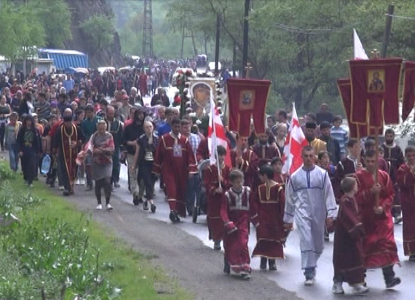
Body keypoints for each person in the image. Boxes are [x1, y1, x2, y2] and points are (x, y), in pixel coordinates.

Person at [284, 146, 337, 286]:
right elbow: (289, 198)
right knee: (306, 240)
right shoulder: (295, 177)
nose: (308, 158)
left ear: (314, 157)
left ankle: (311, 263)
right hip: (302, 212)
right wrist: (288, 219)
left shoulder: (322, 174)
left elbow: (329, 194)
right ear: (302, 157)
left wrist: (331, 214)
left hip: (319, 213)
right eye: (305, 156)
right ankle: (308, 271)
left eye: (310, 156)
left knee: (318, 245)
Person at [355, 150, 401, 288]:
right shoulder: (358, 177)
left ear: (377, 160)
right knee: (365, 246)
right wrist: (370, 193)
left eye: (373, 161)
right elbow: (355, 197)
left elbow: (390, 194)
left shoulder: (384, 176)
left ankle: (389, 276)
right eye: (368, 161)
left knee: (387, 243)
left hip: (382, 218)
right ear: (364, 160)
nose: (370, 164)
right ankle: (360, 278)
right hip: (366, 218)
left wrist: (383, 206)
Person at [152, 118, 197, 223]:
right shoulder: (164, 139)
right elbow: (159, 155)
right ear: (172, 127)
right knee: (171, 190)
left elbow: (190, 157)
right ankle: (172, 210)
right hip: (169, 170)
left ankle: (177, 211)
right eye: (175, 127)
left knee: (180, 192)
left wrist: (191, 170)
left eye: (178, 127)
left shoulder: (184, 141)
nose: (177, 129)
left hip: (182, 171)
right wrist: (156, 170)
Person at [332, 177, 368, 295]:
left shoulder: (352, 199)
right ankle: (337, 283)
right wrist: (358, 227)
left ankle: (356, 283)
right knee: (343, 258)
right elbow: (349, 217)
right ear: (353, 187)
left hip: (352, 237)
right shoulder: (345, 201)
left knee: (355, 257)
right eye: (356, 184)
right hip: (345, 237)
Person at [220, 169, 253, 279]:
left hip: (243, 221)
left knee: (243, 243)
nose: (240, 184)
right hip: (232, 222)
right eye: (237, 182)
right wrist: (227, 223)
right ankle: (228, 261)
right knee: (231, 245)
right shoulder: (227, 195)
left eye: (241, 181)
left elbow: (253, 205)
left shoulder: (248, 192)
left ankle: (244, 267)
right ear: (232, 182)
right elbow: (223, 211)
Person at [251, 165, 285, 271]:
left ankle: (272, 261)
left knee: (274, 240)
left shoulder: (278, 188)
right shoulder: (260, 188)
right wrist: (256, 217)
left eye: (261, 176)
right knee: (262, 239)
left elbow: (282, 204)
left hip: (274, 219)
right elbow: (254, 203)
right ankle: (263, 260)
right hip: (263, 219)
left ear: (265, 176)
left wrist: (283, 219)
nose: (260, 178)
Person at [203, 145, 231, 250]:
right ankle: (216, 240)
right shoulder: (210, 169)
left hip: (224, 198)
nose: (222, 157)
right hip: (213, 199)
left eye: (223, 155)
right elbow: (206, 183)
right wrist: (214, 190)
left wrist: (223, 181)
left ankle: (224, 238)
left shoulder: (228, 169)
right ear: (216, 156)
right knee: (214, 219)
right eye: (220, 155)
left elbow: (230, 183)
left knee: (223, 218)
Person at [54, 109, 84, 196]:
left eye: (69, 122)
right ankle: (67, 188)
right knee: (65, 170)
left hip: (74, 154)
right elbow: (56, 141)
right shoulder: (60, 130)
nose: (68, 124)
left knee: (73, 171)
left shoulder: (77, 128)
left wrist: (77, 143)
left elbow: (83, 138)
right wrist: (55, 150)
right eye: (66, 123)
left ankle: (71, 187)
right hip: (63, 154)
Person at [132, 120, 158, 213]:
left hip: (154, 164)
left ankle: (146, 201)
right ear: (144, 129)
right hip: (144, 164)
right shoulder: (141, 140)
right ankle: (151, 202)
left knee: (152, 182)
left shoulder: (157, 139)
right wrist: (134, 166)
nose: (149, 129)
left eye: (150, 126)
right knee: (147, 182)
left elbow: (159, 154)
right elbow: (137, 153)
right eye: (147, 127)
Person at [90, 119, 115, 210]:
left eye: (103, 128)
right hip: (96, 162)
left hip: (107, 161)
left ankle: (108, 202)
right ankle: (99, 202)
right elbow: (90, 148)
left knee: (107, 181)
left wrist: (100, 150)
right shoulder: (94, 136)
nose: (101, 130)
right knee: (98, 182)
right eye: (100, 128)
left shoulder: (109, 136)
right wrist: (97, 150)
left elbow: (111, 149)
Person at [395, 146, 415, 261]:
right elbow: (402, 182)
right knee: (410, 226)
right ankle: (412, 251)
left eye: (413, 155)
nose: (412, 158)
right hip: (408, 202)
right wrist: (410, 172)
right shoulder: (402, 168)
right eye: (409, 156)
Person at [381, 128, 405, 224]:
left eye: (391, 136)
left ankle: (397, 214)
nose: (389, 138)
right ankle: (386, 212)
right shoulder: (381, 147)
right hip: (384, 174)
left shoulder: (397, 149)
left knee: (395, 194)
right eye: (387, 136)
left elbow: (401, 163)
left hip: (394, 175)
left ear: (393, 137)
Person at [123, 107, 145, 204]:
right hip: (131, 154)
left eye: (142, 114)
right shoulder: (128, 128)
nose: (141, 116)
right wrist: (131, 143)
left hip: (143, 155)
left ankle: (140, 195)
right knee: (133, 175)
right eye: (139, 114)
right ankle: (135, 194)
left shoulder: (146, 128)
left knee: (142, 176)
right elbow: (123, 140)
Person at [181, 118, 202, 215]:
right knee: (188, 188)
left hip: (196, 166)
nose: (187, 129)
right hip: (184, 167)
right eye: (184, 127)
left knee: (197, 187)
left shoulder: (196, 137)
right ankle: (189, 207)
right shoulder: (179, 139)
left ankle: (197, 206)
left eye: (188, 127)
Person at [17, 115, 41, 187]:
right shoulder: (22, 130)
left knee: (32, 165)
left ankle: (30, 181)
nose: (28, 122)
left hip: (32, 150)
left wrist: (39, 150)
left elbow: (38, 141)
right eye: (27, 120)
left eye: (30, 121)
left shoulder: (35, 130)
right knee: (24, 165)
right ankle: (26, 178)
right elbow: (19, 140)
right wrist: (20, 150)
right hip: (24, 149)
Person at [81, 104, 99, 191]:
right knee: (88, 164)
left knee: (98, 163)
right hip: (88, 144)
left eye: (89, 112)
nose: (88, 114)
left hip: (97, 144)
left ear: (93, 112)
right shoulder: (84, 122)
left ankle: (99, 182)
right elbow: (83, 134)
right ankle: (89, 183)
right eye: (86, 113)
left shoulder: (98, 120)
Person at [105, 106, 123, 188]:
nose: (111, 115)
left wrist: (122, 149)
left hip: (115, 146)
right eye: (110, 113)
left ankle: (115, 180)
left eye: (112, 113)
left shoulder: (118, 123)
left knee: (116, 163)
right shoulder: (102, 122)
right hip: (105, 147)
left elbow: (121, 136)